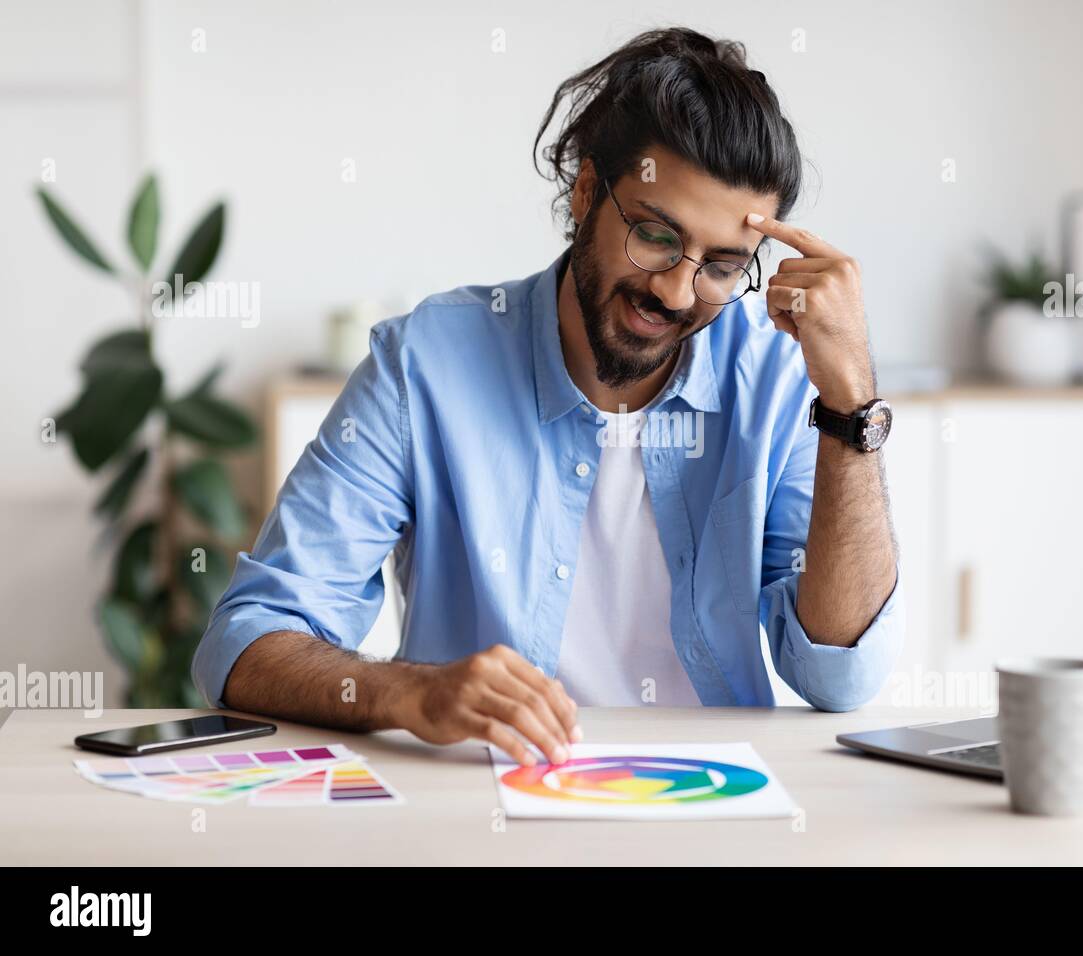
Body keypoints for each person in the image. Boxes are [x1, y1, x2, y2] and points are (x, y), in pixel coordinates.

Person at [193, 27, 903, 768]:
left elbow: (839, 673)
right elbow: (244, 643)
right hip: (483, 800)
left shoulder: (776, 380)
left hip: (718, 799)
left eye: (722, 265)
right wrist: (409, 692)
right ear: (587, 192)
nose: (675, 289)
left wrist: (852, 400)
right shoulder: (426, 366)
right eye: (656, 236)